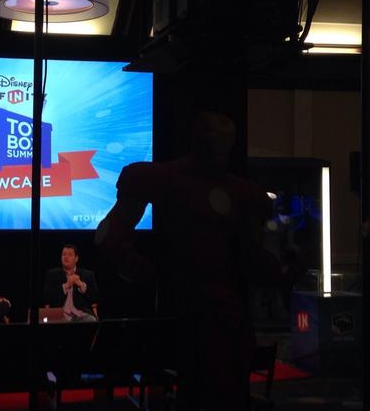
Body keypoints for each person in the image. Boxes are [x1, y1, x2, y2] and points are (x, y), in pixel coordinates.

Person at [95, 112, 300, 411]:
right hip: (186, 313)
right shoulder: (168, 179)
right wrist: (146, 273)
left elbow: (252, 256)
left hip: (222, 316)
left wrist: (281, 271)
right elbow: (109, 236)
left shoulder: (239, 192)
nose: (219, 149)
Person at [42, 244, 100, 322]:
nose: (66, 257)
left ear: (76, 258)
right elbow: (46, 297)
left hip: (81, 314)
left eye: (70, 255)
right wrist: (66, 285)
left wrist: (81, 285)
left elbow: (95, 297)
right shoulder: (52, 274)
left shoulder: (87, 275)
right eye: (64, 254)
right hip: (60, 314)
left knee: (91, 320)